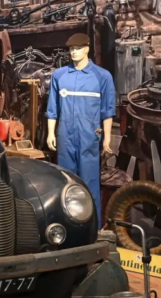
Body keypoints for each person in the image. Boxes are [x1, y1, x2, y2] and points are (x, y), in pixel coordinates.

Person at [46, 33, 116, 221]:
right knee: (65, 182)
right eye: (71, 49)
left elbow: (107, 111)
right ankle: (67, 224)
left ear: (87, 49)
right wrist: (51, 133)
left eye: (78, 48)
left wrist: (107, 138)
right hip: (65, 136)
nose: (74, 52)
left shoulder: (102, 77)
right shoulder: (59, 76)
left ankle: (93, 226)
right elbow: (52, 109)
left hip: (89, 137)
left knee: (89, 182)